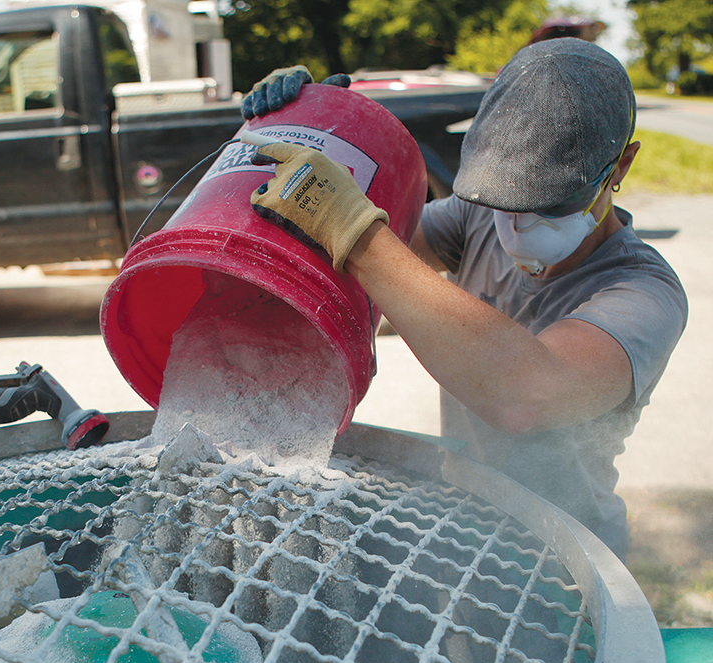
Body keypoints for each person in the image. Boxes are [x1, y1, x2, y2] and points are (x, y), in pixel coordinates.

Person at [241, 40, 688, 560]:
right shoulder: (477, 220)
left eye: (550, 201)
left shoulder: (643, 291)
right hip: (468, 526)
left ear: (621, 165)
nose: (517, 222)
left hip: (567, 555)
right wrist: (321, 130)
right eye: (505, 200)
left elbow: (527, 394)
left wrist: (353, 230)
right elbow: (351, 252)